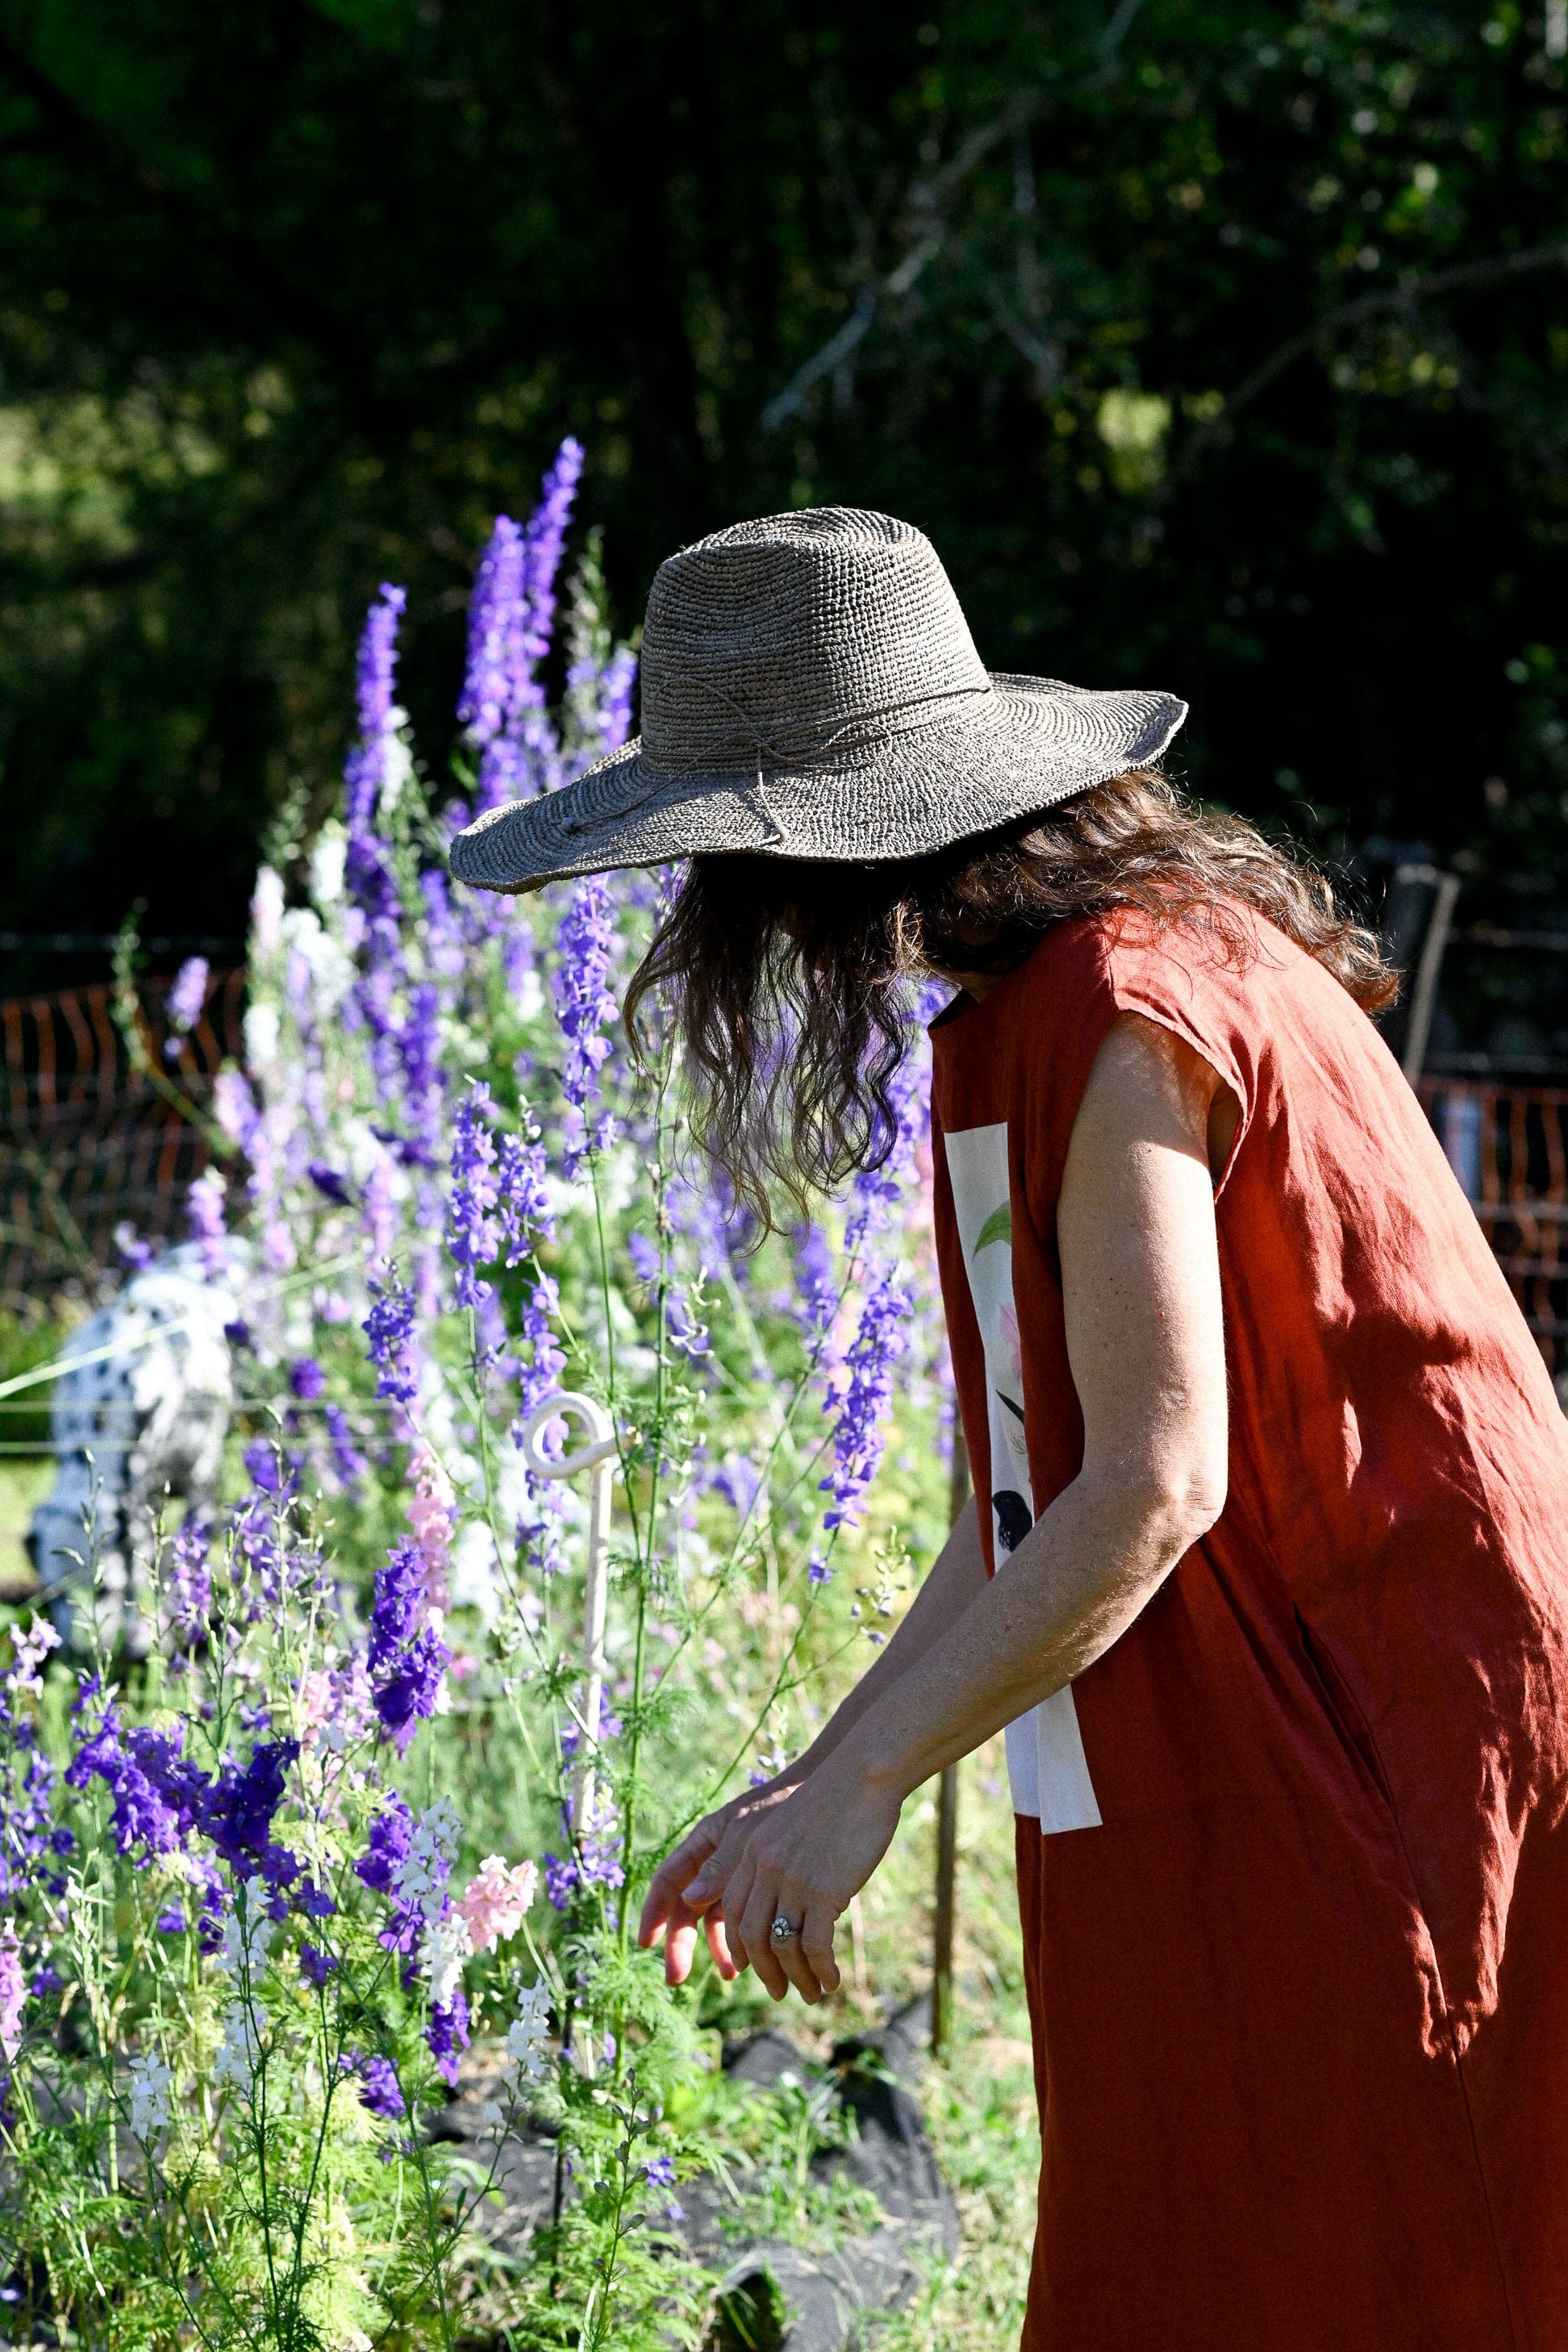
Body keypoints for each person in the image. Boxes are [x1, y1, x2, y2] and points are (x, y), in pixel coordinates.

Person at [452, 506, 1568, 2351]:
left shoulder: (1127, 1002)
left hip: (1382, 1712)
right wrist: (817, 1776)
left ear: (826, 839)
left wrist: (871, 1786)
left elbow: (1154, 1482)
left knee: (1372, 2243)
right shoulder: (1020, 1017)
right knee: (1188, 2218)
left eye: (722, 853)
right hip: (1236, 1700)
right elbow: (1022, 1498)